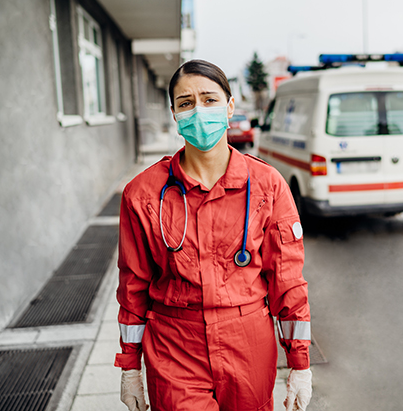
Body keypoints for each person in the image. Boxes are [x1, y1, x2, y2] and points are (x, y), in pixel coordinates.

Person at [114, 59, 312, 411]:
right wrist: (130, 366)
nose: (199, 111)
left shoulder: (266, 186)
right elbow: (133, 285)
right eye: (186, 103)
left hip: (248, 342)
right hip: (175, 346)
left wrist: (300, 364)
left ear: (230, 106)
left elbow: (287, 279)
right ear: (174, 114)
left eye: (209, 99)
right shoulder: (143, 194)